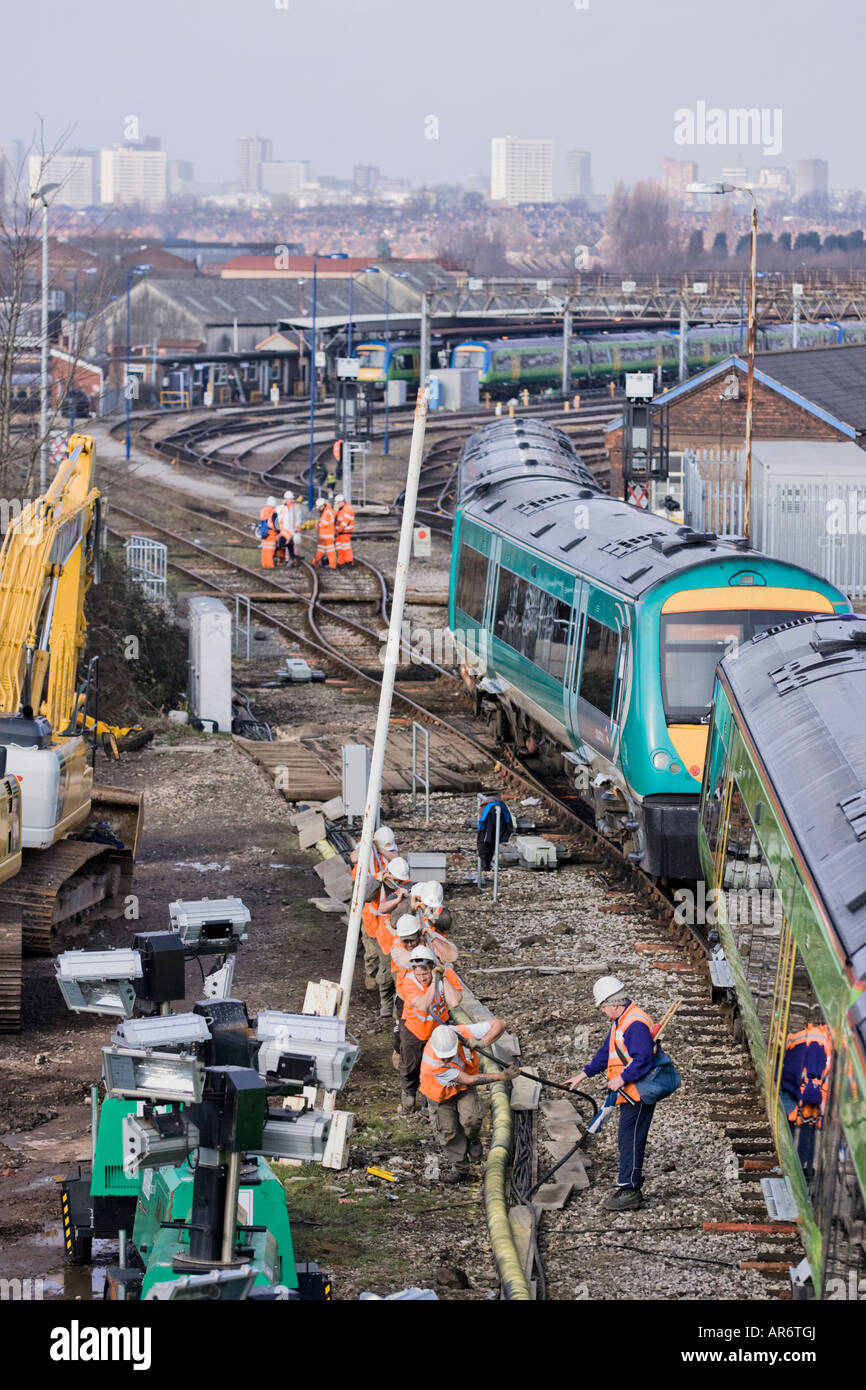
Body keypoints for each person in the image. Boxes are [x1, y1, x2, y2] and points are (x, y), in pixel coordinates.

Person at [566, 976, 657, 1212]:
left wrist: (622, 1078)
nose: (603, 1012)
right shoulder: (622, 1021)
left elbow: (644, 1059)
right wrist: (583, 1075)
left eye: (603, 1008)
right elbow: (607, 1052)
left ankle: (630, 1190)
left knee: (631, 1139)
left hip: (637, 1093)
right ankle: (627, 1185)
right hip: (628, 1092)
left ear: (613, 1004)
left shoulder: (634, 1024)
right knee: (626, 1139)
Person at [420, 1020, 517, 1182]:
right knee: (448, 1132)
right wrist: (501, 1076)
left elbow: (500, 1024)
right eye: (442, 1057)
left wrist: (482, 1042)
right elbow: (469, 1079)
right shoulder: (433, 1062)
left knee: (472, 1118)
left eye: (448, 1056)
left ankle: (472, 1138)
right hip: (440, 1095)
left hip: (463, 1088)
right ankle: (460, 1168)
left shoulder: (462, 1033)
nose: (445, 1060)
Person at [399, 946, 463, 1114]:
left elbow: (455, 1001)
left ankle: (428, 1103)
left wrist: (442, 979)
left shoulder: (447, 976)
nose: (422, 978)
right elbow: (422, 1005)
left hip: (437, 1031)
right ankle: (408, 1097)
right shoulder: (409, 980)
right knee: (410, 1065)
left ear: (433, 967)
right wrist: (434, 982)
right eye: (418, 974)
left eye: (425, 973)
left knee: (432, 1067)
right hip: (413, 1030)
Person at [781, 1021, 833, 1178]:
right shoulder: (821, 1045)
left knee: (798, 1128)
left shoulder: (815, 1037)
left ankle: (794, 1167)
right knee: (804, 1127)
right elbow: (811, 1081)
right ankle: (800, 1170)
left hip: (789, 1086)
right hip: (798, 1097)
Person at [477, 791, 514, 873]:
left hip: (488, 832)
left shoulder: (490, 809)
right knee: (488, 841)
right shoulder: (495, 807)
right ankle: (486, 863)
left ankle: (485, 863)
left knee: (486, 842)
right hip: (491, 829)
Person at [277, 490, 302, 566]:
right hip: (284, 531)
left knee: (292, 545)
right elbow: (278, 519)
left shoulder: (295, 508)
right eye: (287, 499)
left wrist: (296, 528)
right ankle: (286, 559)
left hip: (292, 531)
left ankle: (292, 559)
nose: (288, 500)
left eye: (290, 499)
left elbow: (298, 518)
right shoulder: (281, 508)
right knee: (283, 545)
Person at [312, 497, 336, 569]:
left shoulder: (327, 512)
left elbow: (324, 524)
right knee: (321, 550)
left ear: (322, 506)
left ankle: (332, 565)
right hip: (324, 536)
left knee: (330, 551)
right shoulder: (327, 511)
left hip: (327, 536)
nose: (319, 509)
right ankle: (316, 563)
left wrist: (318, 525)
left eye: (319, 508)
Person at [334, 493, 356, 567]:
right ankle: (341, 562)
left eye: (338, 503)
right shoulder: (340, 509)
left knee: (346, 548)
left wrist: (337, 531)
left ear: (342, 502)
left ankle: (349, 561)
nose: (337, 505)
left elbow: (344, 523)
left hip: (345, 533)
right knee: (339, 548)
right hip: (340, 533)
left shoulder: (347, 509)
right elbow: (335, 519)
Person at [258, 496, 279, 569]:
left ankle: (264, 563)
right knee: (270, 549)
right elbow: (276, 523)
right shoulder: (273, 511)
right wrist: (278, 532)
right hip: (271, 532)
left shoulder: (263, 510)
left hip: (263, 531)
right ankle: (270, 565)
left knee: (265, 548)